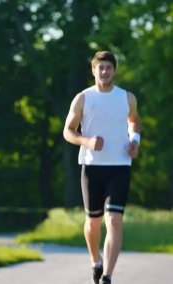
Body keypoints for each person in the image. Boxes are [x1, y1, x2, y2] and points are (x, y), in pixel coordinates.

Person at [63, 51, 141, 284]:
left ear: (114, 70)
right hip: (92, 166)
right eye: (101, 67)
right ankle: (95, 261)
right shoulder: (83, 98)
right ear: (94, 71)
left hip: (119, 166)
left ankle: (106, 275)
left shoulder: (127, 98)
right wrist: (87, 141)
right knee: (93, 222)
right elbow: (68, 131)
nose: (105, 71)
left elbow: (134, 120)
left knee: (114, 219)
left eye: (109, 67)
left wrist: (135, 139)